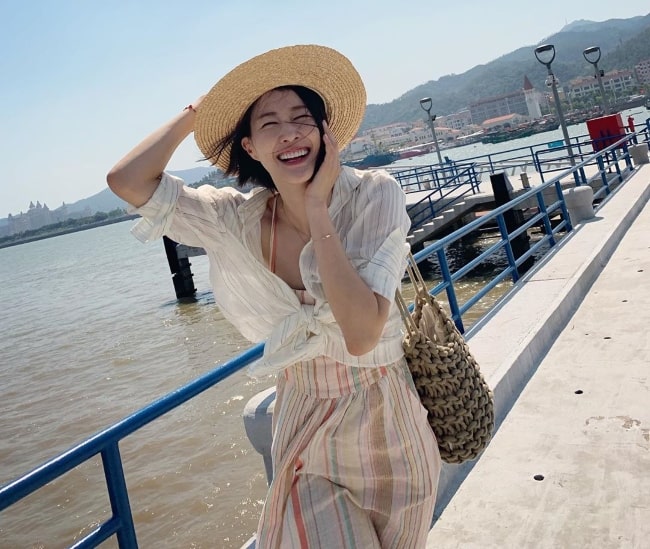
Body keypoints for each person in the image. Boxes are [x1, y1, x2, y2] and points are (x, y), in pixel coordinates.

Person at [107, 44, 440, 548]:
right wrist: (196, 114)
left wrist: (317, 210)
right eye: (269, 124)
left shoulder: (374, 193)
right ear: (249, 146)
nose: (289, 132)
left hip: (389, 425)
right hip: (304, 423)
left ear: (325, 132)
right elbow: (126, 180)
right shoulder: (233, 219)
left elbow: (361, 333)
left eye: (301, 118)